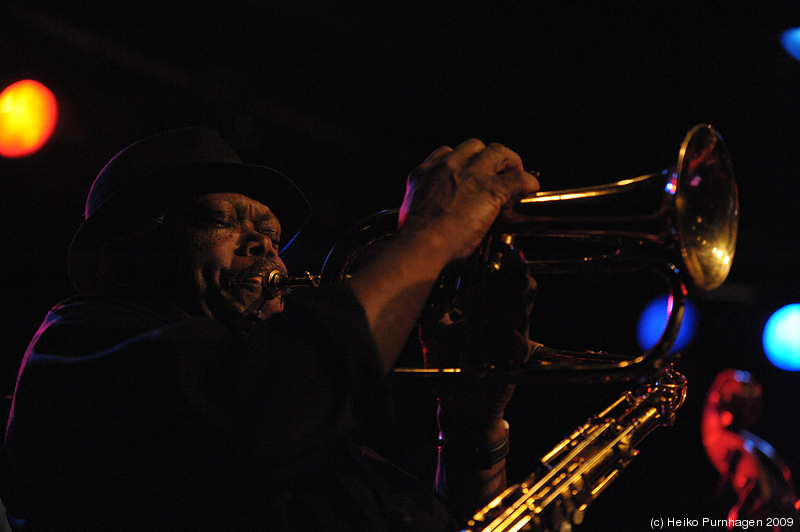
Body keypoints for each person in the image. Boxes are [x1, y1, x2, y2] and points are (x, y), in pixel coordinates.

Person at [1, 127, 540, 531]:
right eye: (221, 221)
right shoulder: (75, 350)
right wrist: (430, 232)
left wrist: (471, 432)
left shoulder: (324, 442)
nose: (263, 246)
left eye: (271, 234)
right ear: (122, 263)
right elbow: (261, 414)